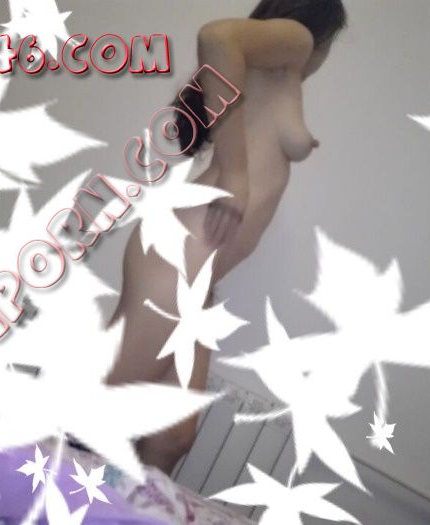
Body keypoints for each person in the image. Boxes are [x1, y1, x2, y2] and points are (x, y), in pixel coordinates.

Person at [105, 0, 348, 475]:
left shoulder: (273, 71)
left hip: (200, 275)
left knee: (171, 438)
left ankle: (129, 506)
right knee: (101, 410)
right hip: (179, 256)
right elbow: (216, 36)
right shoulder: (296, 42)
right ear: (322, 34)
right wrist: (236, 173)